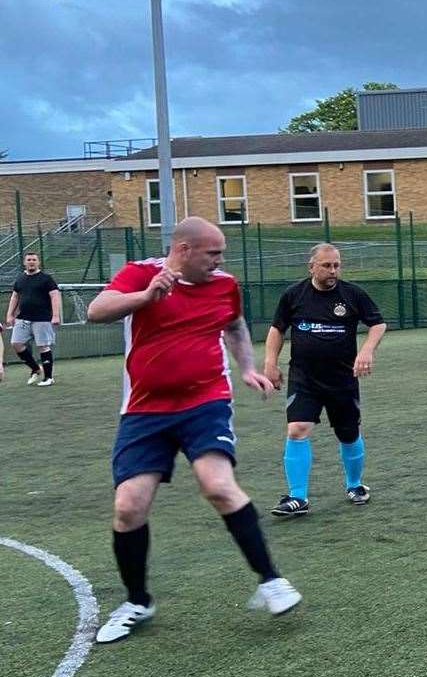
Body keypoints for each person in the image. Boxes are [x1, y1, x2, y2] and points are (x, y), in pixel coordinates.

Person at [85, 216, 301, 644]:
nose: (220, 262)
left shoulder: (223, 284)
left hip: (205, 402)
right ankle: (137, 601)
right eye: (213, 254)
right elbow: (96, 311)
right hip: (144, 411)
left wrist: (246, 368)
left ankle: (271, 581)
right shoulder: (142, 273)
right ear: (184, 250)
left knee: (217, 484)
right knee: (128, 507)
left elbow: (234, 325)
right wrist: (146, 297)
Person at [263, 243, 387, 517]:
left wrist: (366, 350)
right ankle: (297, 497)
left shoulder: (353, 294)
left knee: (348, 433)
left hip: (342, 377)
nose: (333, 271)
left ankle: (354, 485)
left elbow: (378, 324)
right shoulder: (294, 295)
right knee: (297, 428)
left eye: (337, 265)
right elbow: (277, 329)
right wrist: (270, 364)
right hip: (304, 378)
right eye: (327, 266)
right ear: (312, 267)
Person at [7, 252, 61, 386]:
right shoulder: (20, 279)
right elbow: (15, 297)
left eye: (34, 260)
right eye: (29, 260)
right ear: (24, 262)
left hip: (42, 318)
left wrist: (55, 315)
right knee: (16, 343)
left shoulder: (46, 279)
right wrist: (10, 314)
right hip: (23, 318)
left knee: (43, 346)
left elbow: (55, 296)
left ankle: (48, 377)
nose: (31, 262)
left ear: (38, 262)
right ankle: (35, 369)